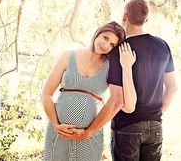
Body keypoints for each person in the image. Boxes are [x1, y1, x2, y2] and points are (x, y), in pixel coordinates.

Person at [61, 0, 177, 161]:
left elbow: (117, 100)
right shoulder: (163, 45)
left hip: (127, 128)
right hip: (156, 128)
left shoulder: (119, 50)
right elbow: (173, 88)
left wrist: (89, 131)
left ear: (124, 16)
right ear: (146, 19)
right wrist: (154, 116)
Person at [42, 21, 137, 161]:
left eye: (112, 45)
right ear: (98, 32)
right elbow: (46, 93)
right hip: (58, 133)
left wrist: (89, 132)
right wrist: (56, 124)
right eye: (105, 38)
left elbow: (117, 101)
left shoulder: (111, 66)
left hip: (89, 137)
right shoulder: (68, 56)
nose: (106, 45)